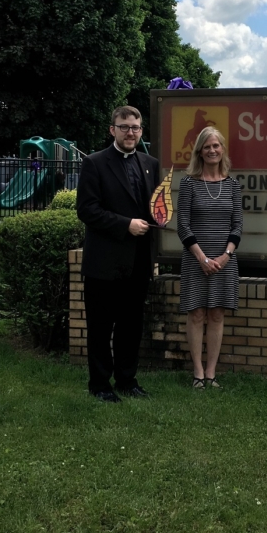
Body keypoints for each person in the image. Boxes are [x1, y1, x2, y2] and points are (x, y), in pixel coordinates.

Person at [76, 106, 160, 403]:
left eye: (135, 127)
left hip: (138, 262)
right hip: (104, 263)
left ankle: (127, 380)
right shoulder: (95, 164)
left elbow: (157, 210)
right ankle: (99, 385)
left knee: (131, 326)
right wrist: (126, 225)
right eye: (124, 127)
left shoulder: (151, 164)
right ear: (112, 129)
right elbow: (87, 210)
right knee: (100, 327)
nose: (130, 132)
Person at [177, 127, 243, 389]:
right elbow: (183, 226)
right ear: (200, 152)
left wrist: (225, 256)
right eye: (207, 146)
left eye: (216, 145)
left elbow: (237, 226)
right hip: (196, 260)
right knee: (196, 314)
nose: (212, 150)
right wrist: (202, 258)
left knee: (216, 314)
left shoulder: (233, 185)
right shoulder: (189, 183)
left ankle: (212, 373)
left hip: (225, 261)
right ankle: (198, 373)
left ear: (222, 149)